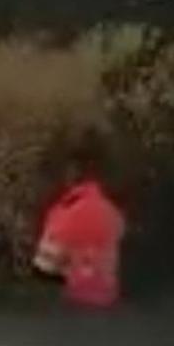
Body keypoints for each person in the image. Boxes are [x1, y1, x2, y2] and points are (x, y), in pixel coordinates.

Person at [33, 129, 126, 308]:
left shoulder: (64, 213)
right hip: (110, 308)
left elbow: (45, 274)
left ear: (71, 171)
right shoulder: (114, 213)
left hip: (72, 310)